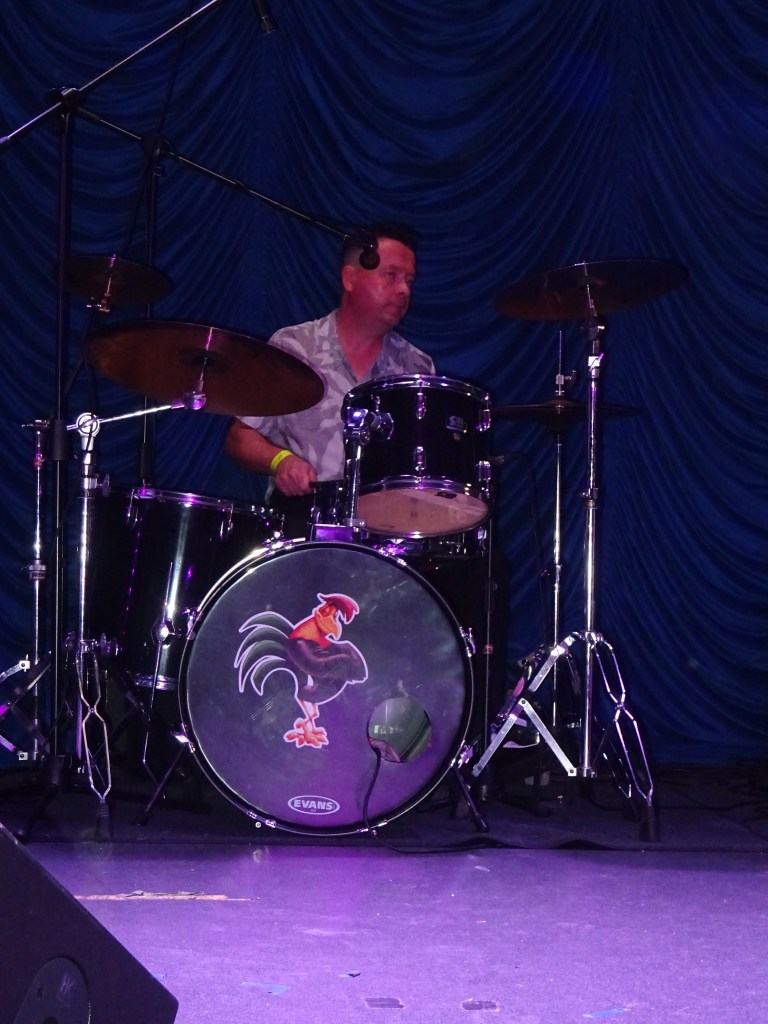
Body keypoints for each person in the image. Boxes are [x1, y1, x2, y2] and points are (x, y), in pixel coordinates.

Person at [225, 222, 435, 537]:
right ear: (350, 278)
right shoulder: (294, 347)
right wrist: (281, 461)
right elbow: (240, 438)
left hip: (384, 530)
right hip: (302, 522)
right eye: (391, 275)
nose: (404, 290)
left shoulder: (416, 367)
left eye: (409, 280)